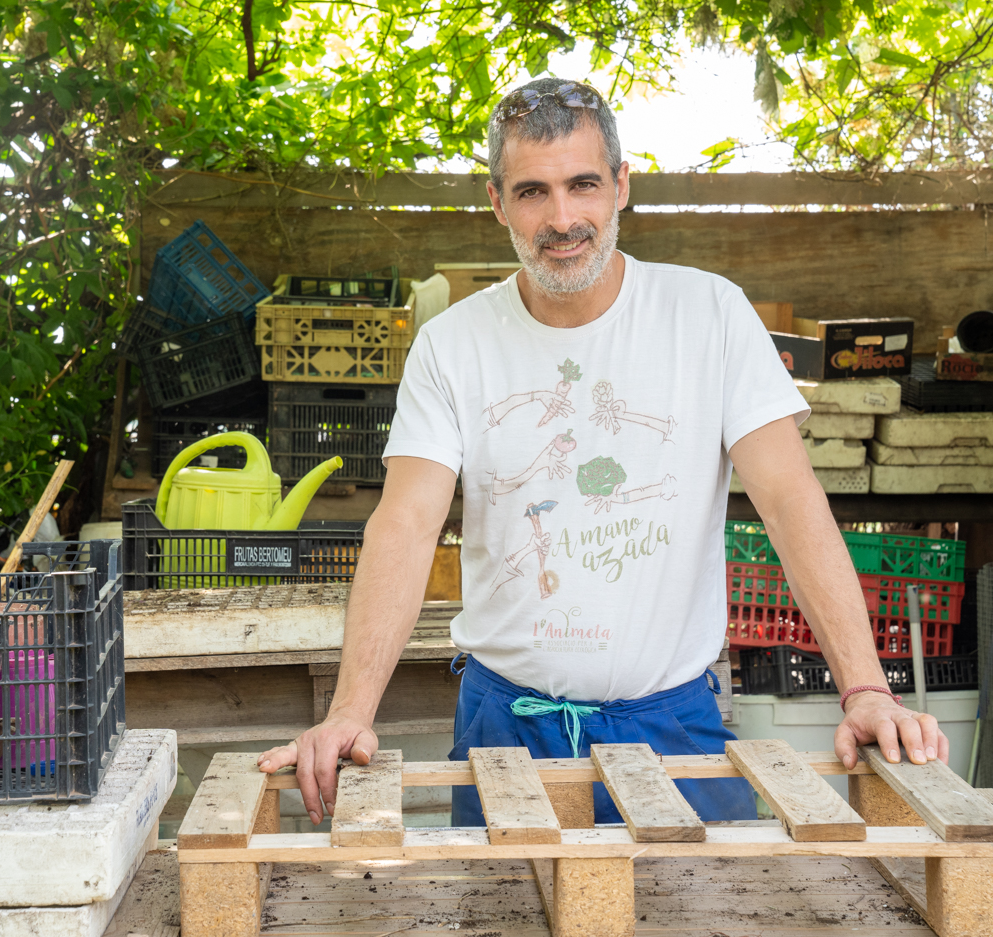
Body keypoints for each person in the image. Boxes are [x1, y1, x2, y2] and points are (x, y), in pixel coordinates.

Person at [258, 77, 949, 826]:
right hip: (506, 728)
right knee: (501, 896)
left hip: (673, 722)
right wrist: (350, 711)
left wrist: (866, 689)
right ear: (497, 203)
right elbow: (405, 525)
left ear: (621, 185)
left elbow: (789, 502)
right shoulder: (451, 345)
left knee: (707, 893)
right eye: (532, 192)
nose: (562, 220)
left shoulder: (709, 314)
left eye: (582, 184)